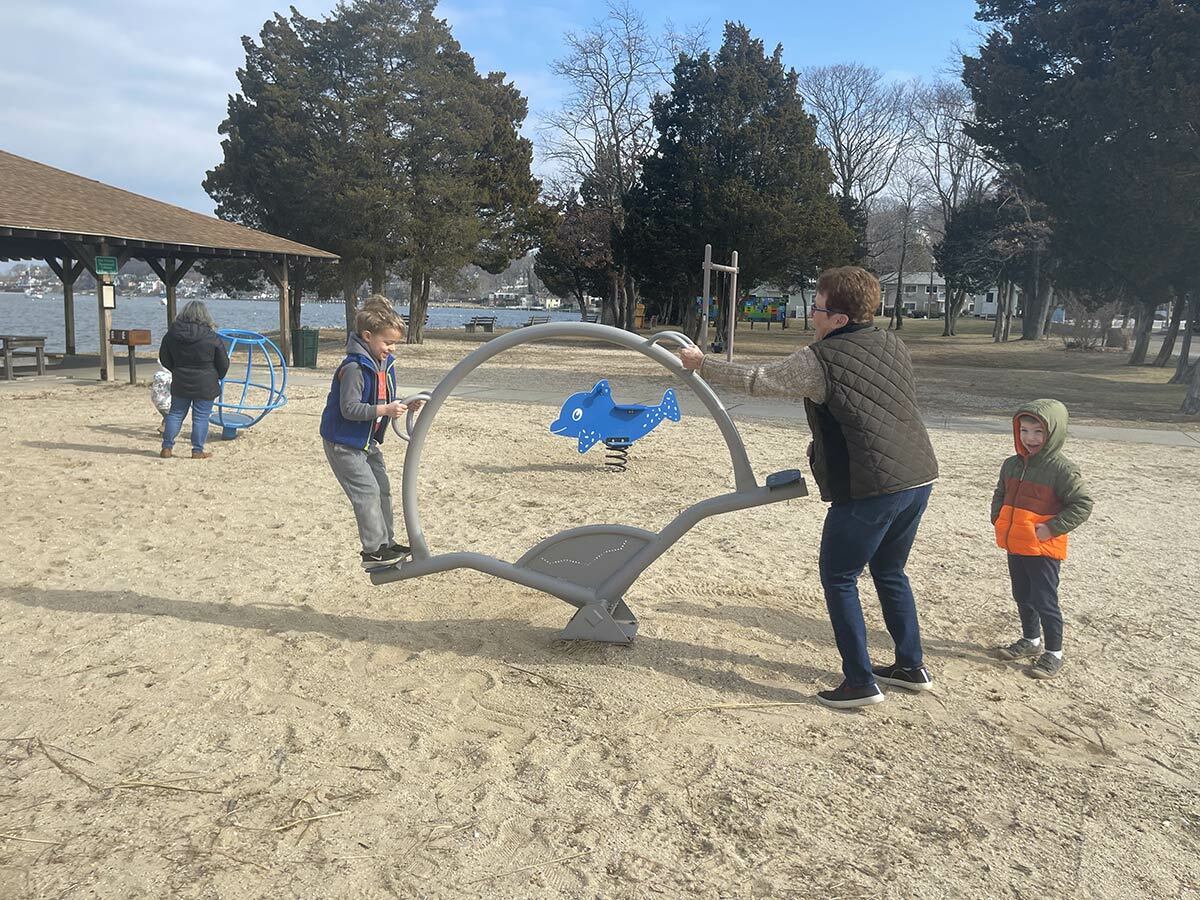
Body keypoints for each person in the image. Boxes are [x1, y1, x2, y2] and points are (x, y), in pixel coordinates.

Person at [679, 267, 940, 709]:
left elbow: (756, 380)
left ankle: (860, 682)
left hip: (872, 485)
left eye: (817, 309)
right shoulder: (892, 343)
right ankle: (910, 666)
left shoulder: (820, 359)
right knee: (890, 571)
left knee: (839, 577)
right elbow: (870, 409)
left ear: (839, 318)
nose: (813, 315)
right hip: (917, 476)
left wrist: (702, 364)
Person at [990, 401, 1093, 679]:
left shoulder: (1062, 469)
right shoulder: (1011, 465)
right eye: (1024, 430)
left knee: (1044, 600)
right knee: (1022, 595)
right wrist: (998, 518)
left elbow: (1082, 504)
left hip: (1043, 549)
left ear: (1054, 434)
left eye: (1038, 432)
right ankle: (1030, 640)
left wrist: (1051, 528)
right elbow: (1000, 493)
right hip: (1016, 544)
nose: (1030, 438)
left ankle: (1054, 654)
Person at [320, 296, 421, 569]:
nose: (390, 348)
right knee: (366, 492)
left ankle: (386, 543)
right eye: (387, 342)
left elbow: (380, 397)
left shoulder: (381, 364)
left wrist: (403, 404)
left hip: (366, 442)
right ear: (367, 336)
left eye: (394, 343)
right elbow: (350, 409)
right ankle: (373, 551)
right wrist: (385, 410)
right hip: (344, 442)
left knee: (383, 490)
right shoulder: (353, 367)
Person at [158, 300, 229, 459]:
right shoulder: (212, 336)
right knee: (201, 416)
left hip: (181, 380)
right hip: (206, 382)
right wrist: (218, 375)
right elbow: (223, 362)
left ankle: (167, 447)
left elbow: (164, 357)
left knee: (175, 414)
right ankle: (197, 450)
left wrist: (176, 369)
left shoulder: (172, 334)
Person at [150, 364, 172, 435]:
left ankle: (163, 430)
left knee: (166, 415)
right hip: (165, 401)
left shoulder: (157, 375)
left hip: (156, 400)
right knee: (170, 416)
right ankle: (163, 429)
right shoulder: (169, 377)